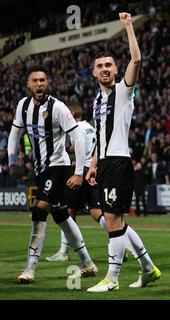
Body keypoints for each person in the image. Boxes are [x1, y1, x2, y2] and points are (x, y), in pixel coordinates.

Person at [85, 12, 160, 292]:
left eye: (109, 65)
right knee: (118, 222)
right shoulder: (96, 100)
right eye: (100, 66)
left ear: (116, 71)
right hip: (104, 163)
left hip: (118, 163)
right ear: (93, 73)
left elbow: (137, 60)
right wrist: (93, 164)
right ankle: (148, 269)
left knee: (113, 221)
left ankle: (112, 279)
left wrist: (128, 27)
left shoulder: (123, 91)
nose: (105, 69)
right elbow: (100, 136)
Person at [7, 65, 97, 284]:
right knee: (61, 216)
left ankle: (30, 268)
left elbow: (79, 138)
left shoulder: (58, 107)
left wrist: (77, 172)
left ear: (47, 83)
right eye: (35, 80)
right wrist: (11, 161)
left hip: (58, 166)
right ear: (28, 84)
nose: (39, 84)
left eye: (43, 80)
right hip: (41, 169)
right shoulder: (24, 106)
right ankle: (87, 263)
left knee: (39, 209)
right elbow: (15, 133)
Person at [46, 105, 135, 261]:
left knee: (69, 211)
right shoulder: (91, 127)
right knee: (96, 211)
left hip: (80, 171)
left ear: (73, 114)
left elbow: (77, 146)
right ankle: (122, 244)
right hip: (93, 169)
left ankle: (63, 252)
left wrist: (68, 150)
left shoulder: (76, 128)